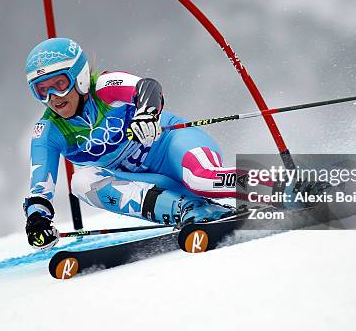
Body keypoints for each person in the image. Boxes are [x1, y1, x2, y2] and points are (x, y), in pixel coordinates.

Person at [23, 37, 240, 250]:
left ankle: (271, 183)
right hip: (149, 181)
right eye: (42, 90)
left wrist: (147, 113)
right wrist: (37, 221)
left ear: (79, 77)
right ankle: (193, 210)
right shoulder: (48, 132)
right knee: (81, 182)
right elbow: (40, 191)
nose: (53, 97)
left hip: (173, 146)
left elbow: (147, 87)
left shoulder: (103, 86)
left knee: (202, 179)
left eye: (60, 84)